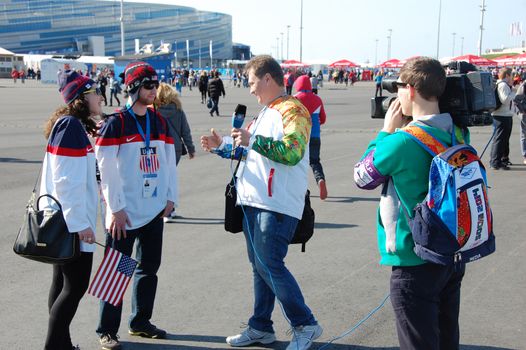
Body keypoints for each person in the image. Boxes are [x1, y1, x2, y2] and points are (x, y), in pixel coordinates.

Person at [201, 55, 322, 350]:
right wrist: (224, 148)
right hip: (254, 201)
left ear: (268, 79)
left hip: (277, 204)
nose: (250, 89)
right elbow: (252, 153)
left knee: (270, 264)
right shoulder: (265, 112)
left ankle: (305, 324)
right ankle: (261, 326)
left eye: (253, 82)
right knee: (260, 266)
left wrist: (251, 140)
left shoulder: (294, 110)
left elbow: (292, 152)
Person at [354, 57, 469, 350]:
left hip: (413, 258)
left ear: (412, 90)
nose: (396, 95)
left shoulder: (402, 142)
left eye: (399, 87)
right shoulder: (458, 132)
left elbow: (362, 177)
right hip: (450, 252)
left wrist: (385, 131)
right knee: (445, 339)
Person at [95, 61, 178, 350]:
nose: (154, 90)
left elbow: (169, 162)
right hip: (124, 213)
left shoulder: (160, 122)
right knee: (118, 270)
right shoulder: (115, 123)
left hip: (154, 210)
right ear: (133, 88)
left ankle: (141, 322)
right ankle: (107, 330)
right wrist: (114, 208)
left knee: (149, 268)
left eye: (156, 84)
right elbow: (105, 169)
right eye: (148, 85)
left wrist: (171, 198)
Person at [41, 73, 102, 350]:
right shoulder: (70, 127)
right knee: (75, 287)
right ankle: (54, 346)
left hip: (64, 219)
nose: (100, 96)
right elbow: (67, 182)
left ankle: (61, 343)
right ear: (81, 97)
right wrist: (80, 224)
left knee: (62, 283)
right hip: (70, 221)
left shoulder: (72, 125)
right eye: (95, 92)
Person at [155, 82, 196, 222]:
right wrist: (191, 149)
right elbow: (186, 131)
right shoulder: (178, 109)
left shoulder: (154, 110)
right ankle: (170, 209)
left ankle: (163, 210)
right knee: (170, 178)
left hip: (159, 147)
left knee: (161, 179)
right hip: (176, 148)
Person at [294, 75, 328, 200]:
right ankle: (320, 180)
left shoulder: (295, 99)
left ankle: (301, 189)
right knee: (314, 162)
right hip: (315, 136)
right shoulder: (317, 99)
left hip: (300, 136)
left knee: (298, 164)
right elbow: (323, 119)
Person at [490, 67, 515, 170]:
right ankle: (495, 162)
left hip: (504, 115)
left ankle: (500, 160)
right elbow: (505, 99)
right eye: (511, 75)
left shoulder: (502, 84)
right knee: (500, 139)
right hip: (501, 115)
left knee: (502, 139)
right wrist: (513, 93)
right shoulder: (503, 85)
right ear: (507, 75)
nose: (512, 77)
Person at [516, 80, 526, 165]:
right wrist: (522, 111)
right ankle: (525, 156)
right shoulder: (524, 85)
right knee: (524, 135)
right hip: (524, 114)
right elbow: (516, 99)